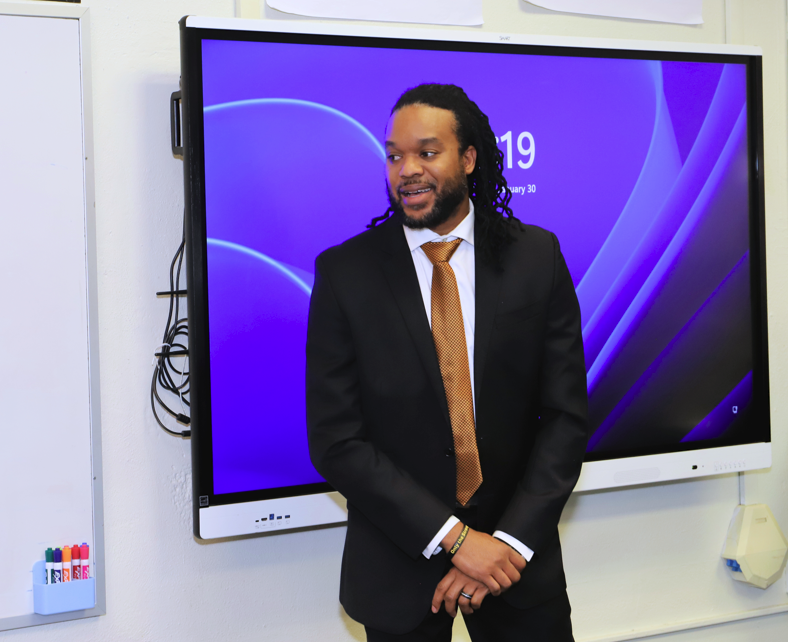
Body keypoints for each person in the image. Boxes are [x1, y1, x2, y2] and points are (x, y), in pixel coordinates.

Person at [306, 83, 588, 641]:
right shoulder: (345, 274)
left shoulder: (537, 257)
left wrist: (505, 546)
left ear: (469, 158)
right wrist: (457, 541)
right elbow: (337, 441)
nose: (407, 169)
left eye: (427, 152)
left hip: (517, 567)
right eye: (394, 155)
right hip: (399, 568)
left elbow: (565, 419)